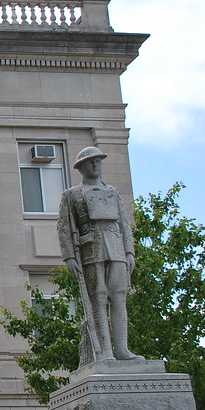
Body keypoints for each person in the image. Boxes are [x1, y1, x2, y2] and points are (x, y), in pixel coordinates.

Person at [57, 146, 142, 363]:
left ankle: (122, 348)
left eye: (98, 161)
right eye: (91, 162)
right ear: (81, 167)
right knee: (98, 298)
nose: (95, 165)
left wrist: (129, 251)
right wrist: (69, 257)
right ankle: (105, 350)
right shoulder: (72, 195)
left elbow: (124, 223)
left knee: (119, 297)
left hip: (116, 247)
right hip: (91, 247)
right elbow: (64, 227)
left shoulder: (113, 192)